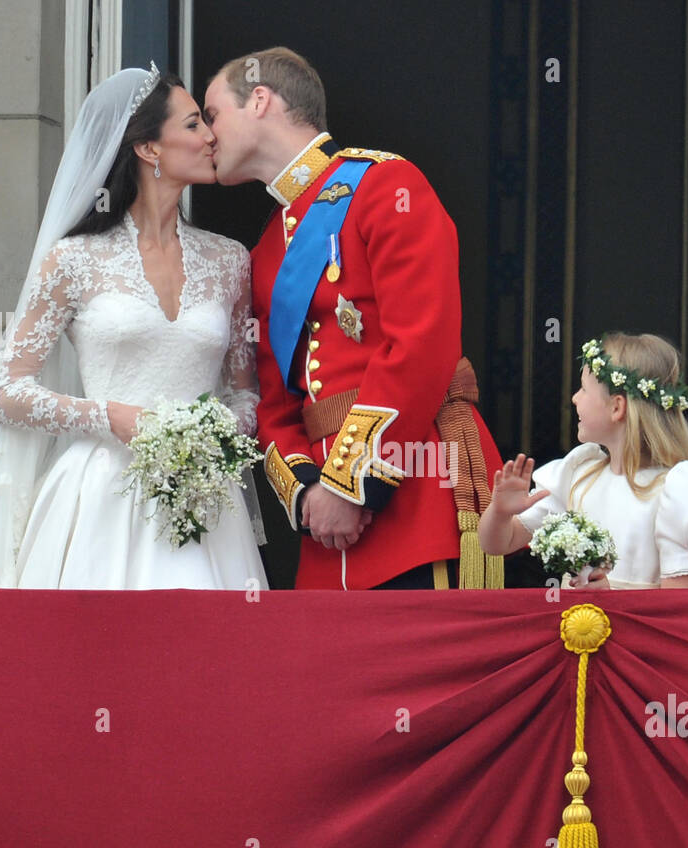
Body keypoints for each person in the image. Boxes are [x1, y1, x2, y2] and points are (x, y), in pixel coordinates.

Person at [202, 47, 503, 590]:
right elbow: (274, 403)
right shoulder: (269, 245)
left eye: (213, 114)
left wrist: (350, 486)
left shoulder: (386, 186)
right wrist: (311, 493)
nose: (206, 134)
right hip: (325, 533)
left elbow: (422, 347)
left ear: (261, 100)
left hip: (412, 497)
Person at [0, 64, 266, 590]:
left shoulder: (230, 261)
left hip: (202, 500)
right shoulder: (72, 260)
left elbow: (247, 396)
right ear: (149, 149)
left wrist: (209, 434)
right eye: (195, 124)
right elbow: (7, 393)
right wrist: (110, 416)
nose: (211, 137)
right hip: (98, 495)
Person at [479, 332, 688, 589]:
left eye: (583, 389)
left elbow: (677, 602)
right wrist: (501, 513)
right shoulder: (576, 474)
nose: (574, 398)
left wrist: (611, 596)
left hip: (636, 629)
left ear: (617, 407)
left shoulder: (675, 489)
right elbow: (497, 545)